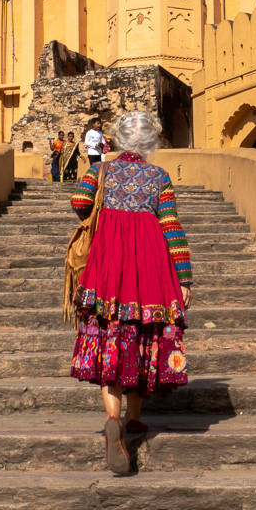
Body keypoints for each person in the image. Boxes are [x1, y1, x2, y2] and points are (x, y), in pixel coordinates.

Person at [67, 112, 190, 475]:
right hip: (150, 260)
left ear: (116, 140)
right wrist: (184, 278)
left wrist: (105, 212)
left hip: (109, 259)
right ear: (152, 143)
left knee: (111, 330)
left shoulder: (100, 171)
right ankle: (135, 417)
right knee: (142, 330)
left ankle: (113, 418)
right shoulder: (159, 177)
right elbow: (172, 227)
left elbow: (78, 202)